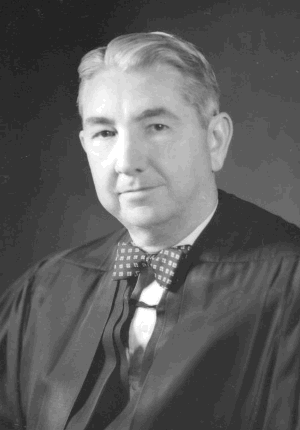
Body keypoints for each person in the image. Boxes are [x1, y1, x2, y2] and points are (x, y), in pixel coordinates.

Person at [1, 31, 300, 430]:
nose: (126, 162)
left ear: (215, 140)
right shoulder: (42, 293)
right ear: (86, 145)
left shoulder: (289, 285)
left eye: (156, 126)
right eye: (105, 133)